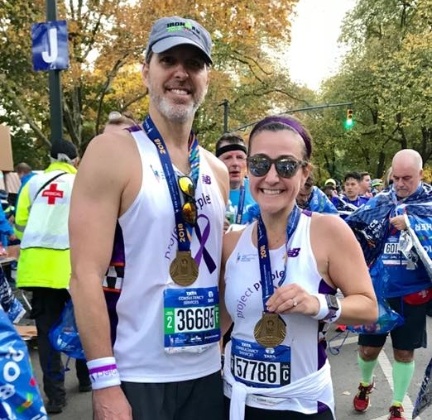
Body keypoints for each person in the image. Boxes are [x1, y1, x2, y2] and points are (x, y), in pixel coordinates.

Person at [69, 16, 229, 420]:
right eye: (168, 60)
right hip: (136, 376)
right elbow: (84, 275)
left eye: (193, 64)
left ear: (207, 78)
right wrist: (105, 384)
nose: (181, 73)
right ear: (146, 72)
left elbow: (221, 271)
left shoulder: (217, 170)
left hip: (208, 372)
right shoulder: (112, 152)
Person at [220, 115, 378, 420]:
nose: (271, 177)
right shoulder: (231, 242)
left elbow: (369, 306)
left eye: (286, 165)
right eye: (260, 164)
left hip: (301, 404)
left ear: (304, 173)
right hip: (236, 400)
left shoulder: (329, 231)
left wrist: (316, 303)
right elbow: (224, 319)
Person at [346, 149, 432, 420]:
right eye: (396, 178)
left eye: (407, 178)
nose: (400, 184)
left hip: (414, 294)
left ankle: (397, 403)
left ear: (421, 174)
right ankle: (365, 383)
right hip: (378, 293)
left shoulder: (428, 204)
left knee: (404, 352)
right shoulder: (382, 201)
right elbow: (349, 227)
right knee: (368, 350)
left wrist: (412, 224)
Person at [14, 140, 90, 414]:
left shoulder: (32, 183)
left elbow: (20, 224)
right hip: (71, 266)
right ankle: (84, 379)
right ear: (75, 159)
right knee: (81, 325)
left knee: (46, 334)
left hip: (36, 268)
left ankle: (55, 396)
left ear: (49, 157)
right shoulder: (81, 183)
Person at [216, 134, 256, 229]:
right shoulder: (206, 193)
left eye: (240, 157)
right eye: (228, 158)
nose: (235, 163)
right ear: (216, 162)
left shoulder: (258, 190)